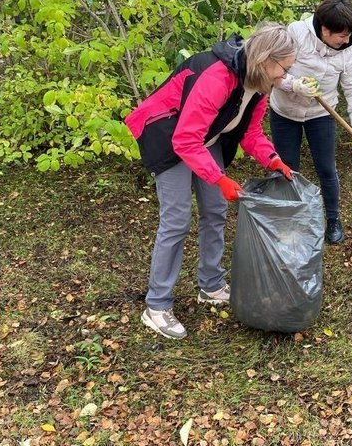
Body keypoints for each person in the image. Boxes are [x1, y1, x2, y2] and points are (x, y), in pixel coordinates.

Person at [124, 23, 296, 339]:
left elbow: (251, 133)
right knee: (176, 220)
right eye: (283, 69)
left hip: (204, 135)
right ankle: (157, 306)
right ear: (265, 60)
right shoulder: (217, 77)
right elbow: (185, 140)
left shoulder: (259, 86)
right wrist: (219, 178)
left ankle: (211, 284)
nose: (284, 76)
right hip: (167, 133)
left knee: (215, 210)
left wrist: (272, 159)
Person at [269, 0, 352, 245]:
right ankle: (290, 222)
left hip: (321, 115)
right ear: (324, 30)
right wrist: (294, 85)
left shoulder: (348, 50)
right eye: (341, 35)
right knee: (287, 168)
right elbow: (272, 73)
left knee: (326, 169)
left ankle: (333, 220)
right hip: (285, 113)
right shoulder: (295, 34)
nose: (346, 41)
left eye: (349, 35)